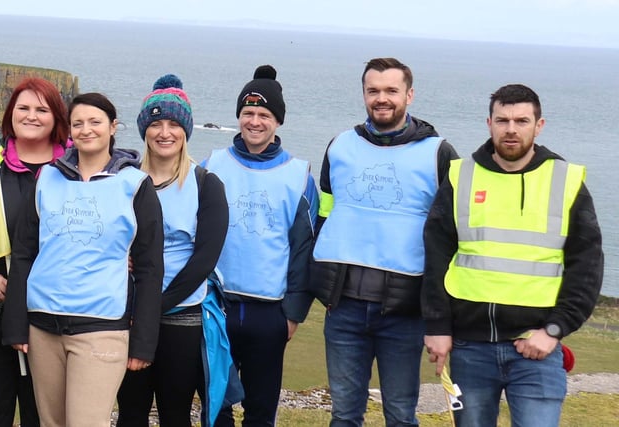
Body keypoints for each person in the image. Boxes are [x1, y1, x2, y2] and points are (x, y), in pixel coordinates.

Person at [422, 84, 604, 427]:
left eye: (521, 120)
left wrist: (554, 329)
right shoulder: (460, 176)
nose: (511, 129)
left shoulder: (566, 180)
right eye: (502, 120)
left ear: (539, 125)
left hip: (536, 348)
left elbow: (587, 266)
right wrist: (437, 327)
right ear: (488, 123)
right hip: (469, 348)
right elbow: (436, 257)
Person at [310, 57, 458, 427]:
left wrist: (440, 315)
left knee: (400, 416)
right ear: (363, 94)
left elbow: (451, 239)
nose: (382, 98)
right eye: (373, 90)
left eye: (391, 90)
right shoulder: (339, 146)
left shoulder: (439, 153)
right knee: (344, 416)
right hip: (343, 310)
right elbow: (325, 216)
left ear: (409, 95)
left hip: (405, 314)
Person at [2, 92, 165, 427]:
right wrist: (17, 323)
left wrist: (144, 342)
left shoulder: (135, 185)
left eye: (95, 122)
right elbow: (24, 254)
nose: (86, 129)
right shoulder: (47, 178)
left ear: (112, 127)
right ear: (69, 130)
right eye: (78, 123)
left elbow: (149, 268)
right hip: (42, 326)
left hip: (101, 328)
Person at [116, 74, 240, 427]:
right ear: (144, 130)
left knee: (175, 414)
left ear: (186, 131)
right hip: (128, 316)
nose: (164, 132)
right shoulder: (123, 181)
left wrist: (155, 308)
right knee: (131, 412)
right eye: (156, 123)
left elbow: (204, 260)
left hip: (181, 317)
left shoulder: (205, 185)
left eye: (173, 124)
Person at [204, 64, 319, 427]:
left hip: (269, 313)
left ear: (278, 121)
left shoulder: (299, 176)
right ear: (238, 117)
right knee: (215, 407)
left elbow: (304, 251)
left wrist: (293, 314)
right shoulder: (212, 167)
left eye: (264, 114)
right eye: (248, 113)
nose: (255, 121)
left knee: (260, 411)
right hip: (216, 308)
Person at [0, 77, 71, 427]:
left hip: (55, 310)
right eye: (23, 108)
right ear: (10, 113)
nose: (31, 116)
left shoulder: (76, 168)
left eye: (42, 109)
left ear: (56, 117)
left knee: (45, 413)